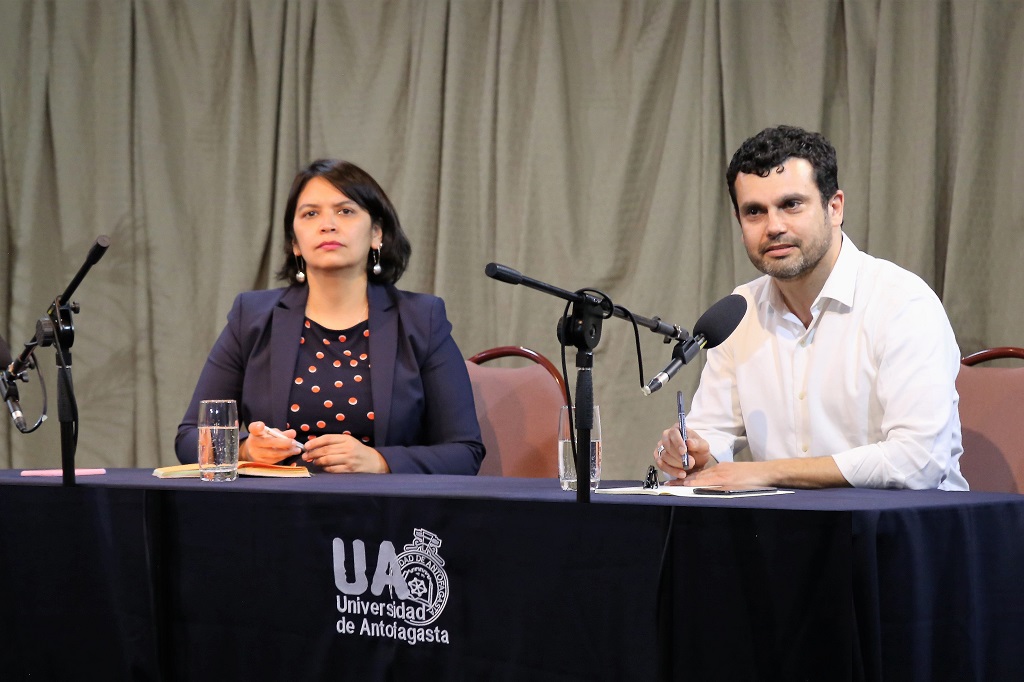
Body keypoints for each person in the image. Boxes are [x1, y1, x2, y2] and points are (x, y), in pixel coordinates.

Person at [653, 126, 967, 490]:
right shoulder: (740, 311)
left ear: (834, 208)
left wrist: (767, 472)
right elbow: (713, 432)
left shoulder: (902, 302)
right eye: (754, 212)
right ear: (740, 227)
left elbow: (918, 461)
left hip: (901, 532)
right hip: (789, 531)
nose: (773, 227)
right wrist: (693, 452)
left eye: (791, 205)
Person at [176, 159, 484, 474]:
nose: (328, 224)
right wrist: (245, 449)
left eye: (345, 211)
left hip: (382, 510)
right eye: (311, 214)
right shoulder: (252, 318)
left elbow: (464, 452)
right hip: (276, 508)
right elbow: (189, 438)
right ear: (295, 242)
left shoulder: (421, 319)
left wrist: (381, 462)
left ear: (376, 233)